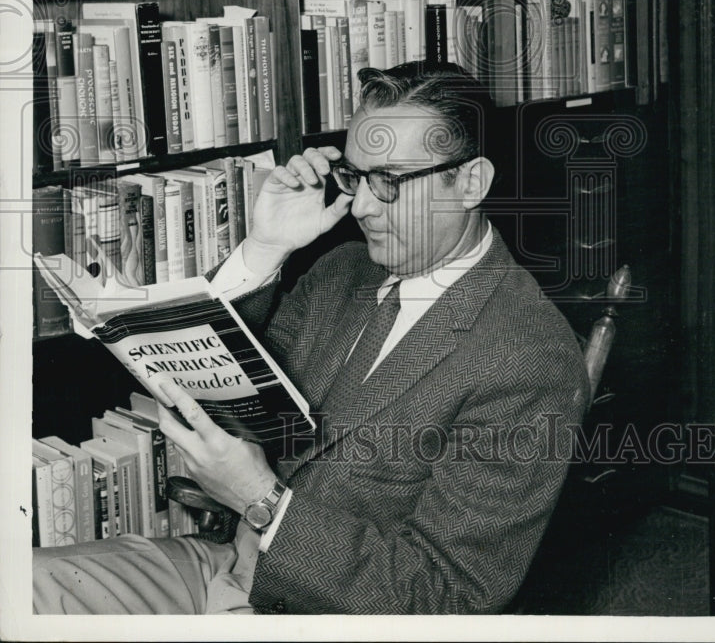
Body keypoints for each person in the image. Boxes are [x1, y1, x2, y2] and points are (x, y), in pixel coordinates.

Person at [34, 62, 589, 615]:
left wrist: (262, 500)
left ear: (471, 183)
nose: (364, 208)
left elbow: (446, 596)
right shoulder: (344, 268)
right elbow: (236, 400)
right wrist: (266, 247)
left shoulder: (529, 358)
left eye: (391, 182)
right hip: (222, 562)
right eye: (354, 177)